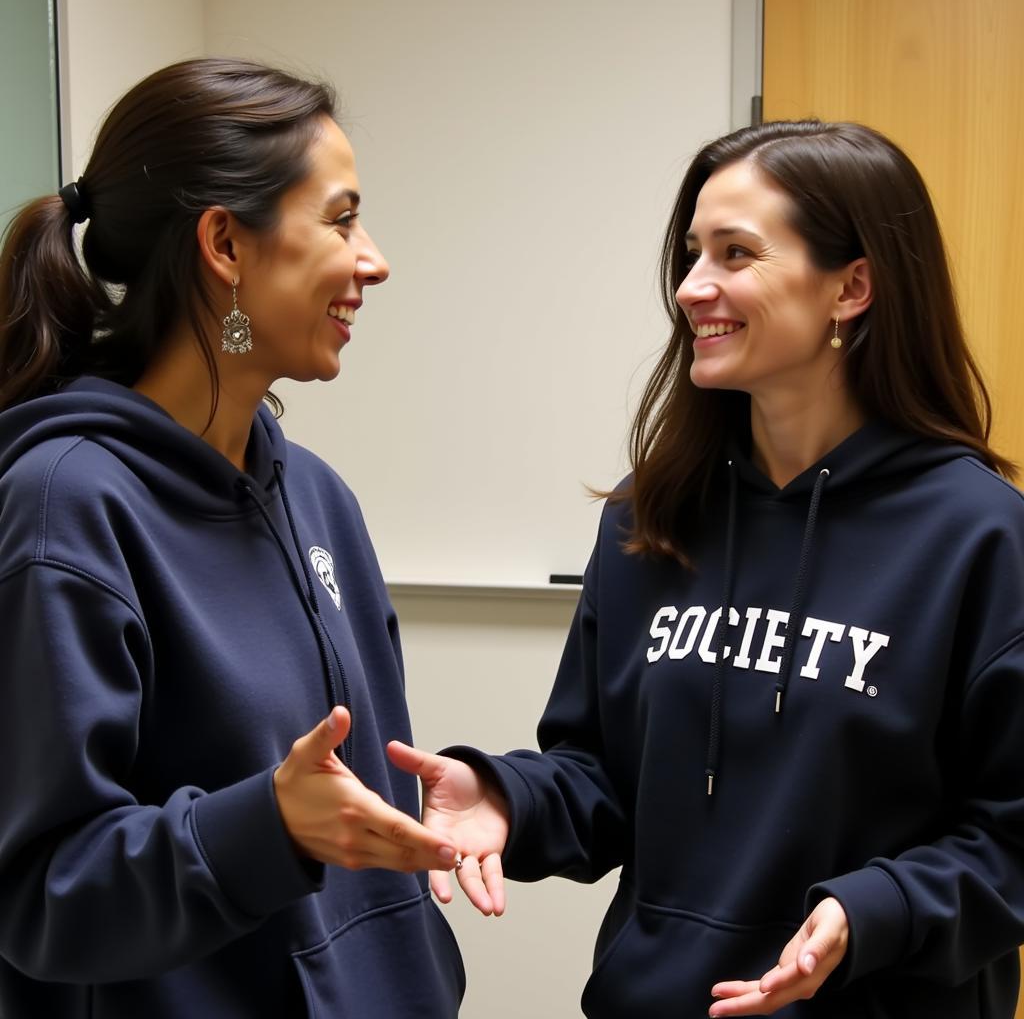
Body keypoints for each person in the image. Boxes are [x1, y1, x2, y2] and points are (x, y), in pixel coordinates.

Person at [389, 120, 1024, 1017]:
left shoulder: (983, 537)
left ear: (853, 286)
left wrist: (868, 910)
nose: (692, 288)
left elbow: (1008, 842)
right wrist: (506, 795)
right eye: (692, 253)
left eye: (735, 253)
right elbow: (602, 778)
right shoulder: (650, 518)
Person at [0, 58, 464, 1018]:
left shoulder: (321, 499)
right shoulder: (65, 508)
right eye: (340, 220)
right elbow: (39, 898)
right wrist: (265, 829)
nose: (373, 259)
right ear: (224, 244)